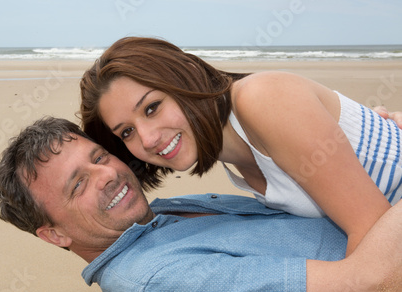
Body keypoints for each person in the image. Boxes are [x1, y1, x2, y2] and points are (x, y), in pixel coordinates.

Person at [0, 117, 402, 292]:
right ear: (54, 234)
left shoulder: (163, 213)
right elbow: (377, 290)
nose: (107, 175)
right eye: (78, 185)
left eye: (98, 158)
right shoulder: (157, 286)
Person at [79, 37, 402, 258]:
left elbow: (380, 242)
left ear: (187, 75)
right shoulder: (235, 155)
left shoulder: (261, 100)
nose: (147, 139)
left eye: (152, 108)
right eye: (127, 132)